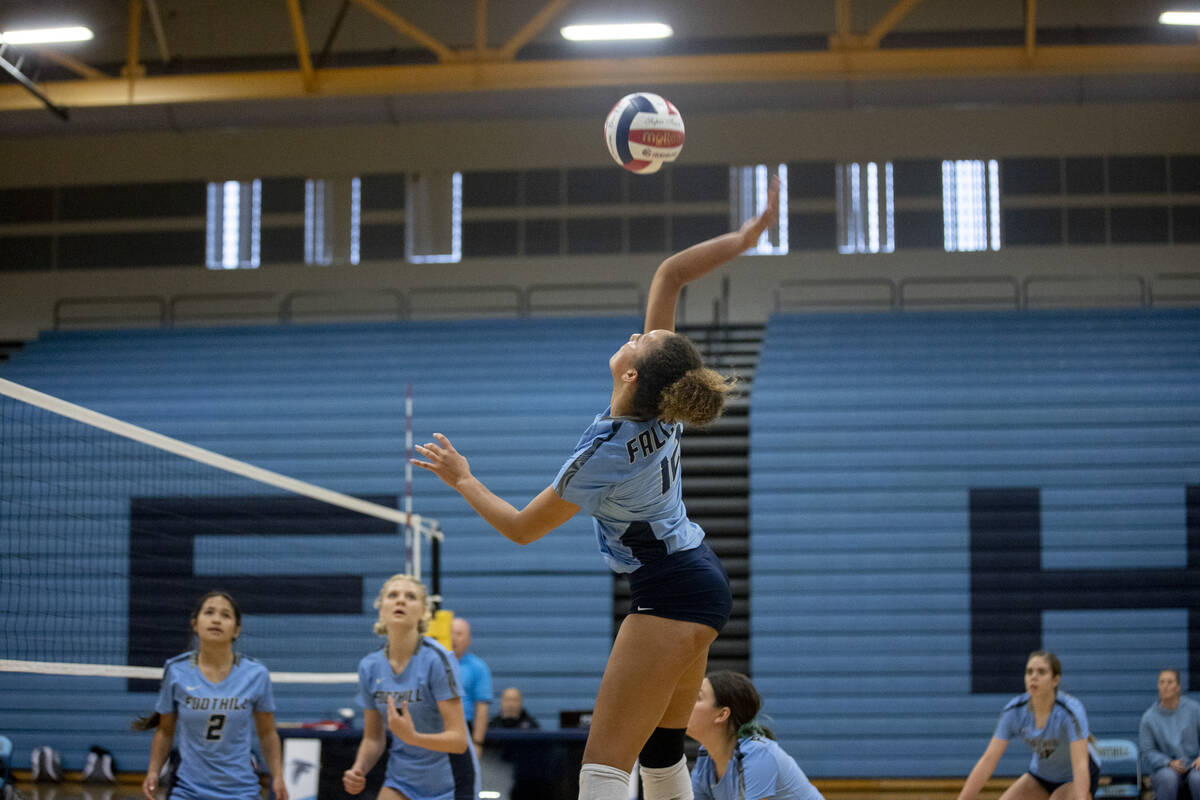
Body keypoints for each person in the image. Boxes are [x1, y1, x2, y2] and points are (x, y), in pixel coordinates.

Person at [411, 177, 780, 800]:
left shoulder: (604, 454)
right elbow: (669, 276)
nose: (638, 332)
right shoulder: (660, 403)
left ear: (631, 370)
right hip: (701, 578)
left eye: (642, 339)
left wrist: (464, 479)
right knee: (663, 752)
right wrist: (742, 240)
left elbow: (522, 529)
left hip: (669, 589)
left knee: (605, 765)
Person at [134, 590, 287, 800]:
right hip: (189, 790)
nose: (216, 619)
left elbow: (267, 733)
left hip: (241, 791)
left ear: (237, 630)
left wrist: (277, 776)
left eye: (225, 615)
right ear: (195, 624)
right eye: (209, 612)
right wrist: (153, 772)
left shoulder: (256, 674)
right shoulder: (176, 670)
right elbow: (165, 731)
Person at [342, 574, 478, 800]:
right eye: (393, 595)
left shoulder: (437, 660)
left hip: (449, 782)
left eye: (410, 596)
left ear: (423, 612)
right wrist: (359, 769)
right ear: (381, 609)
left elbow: (458, 740)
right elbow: (373, 738)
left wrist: (412, 736)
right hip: (401, 781)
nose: (400, 601)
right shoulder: (369, 666)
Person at [956, 650, 1100, 800]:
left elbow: (1080, 765)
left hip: (1075, 777)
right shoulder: (1014, 711)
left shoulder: (1070, 711)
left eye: (1041, 672)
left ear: (1055, 680)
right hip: (1041, 776)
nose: (1034, 677)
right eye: (1029, 672)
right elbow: (988, 761)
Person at [687, 671, 824, 800]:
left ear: (722, 714)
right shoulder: (706, 757)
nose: (686, 703)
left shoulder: (758, 752)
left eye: (697, 697)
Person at [1139, 668, 1200, 800]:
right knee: (1168, 778)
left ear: (1178, 687)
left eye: (1170, 682)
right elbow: (1147, 751)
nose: (1165, 686)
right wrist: (1168, 762)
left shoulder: (1194, 710)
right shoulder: (1148, 718)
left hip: (1194, 764)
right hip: (1165, 768)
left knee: (1198, 778)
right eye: (1162, 682)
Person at [451, 616, 494, 755]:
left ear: (468, 640)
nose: (453, 638)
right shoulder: (432, 663)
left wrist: (477, 742)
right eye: (450, 632)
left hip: (463, 729)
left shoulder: (478, 667)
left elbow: (482, 707)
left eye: (459, 634)